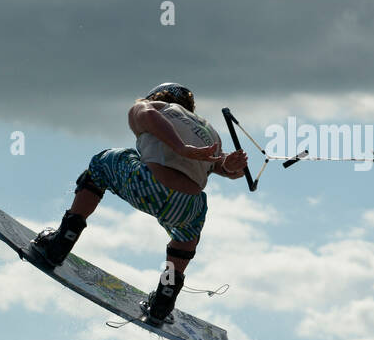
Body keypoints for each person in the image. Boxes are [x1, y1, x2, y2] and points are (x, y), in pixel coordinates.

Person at [28, 83, 248, 323]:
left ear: (157, 96)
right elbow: (222, 165)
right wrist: (231, 165)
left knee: (102, 163)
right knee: (191, 226)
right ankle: (164, 298)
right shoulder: (209, 132)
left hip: (147, 186)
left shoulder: (154, 105)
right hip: (185, 206)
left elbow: (148, 115)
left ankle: (61, 242)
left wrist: (180, 147)